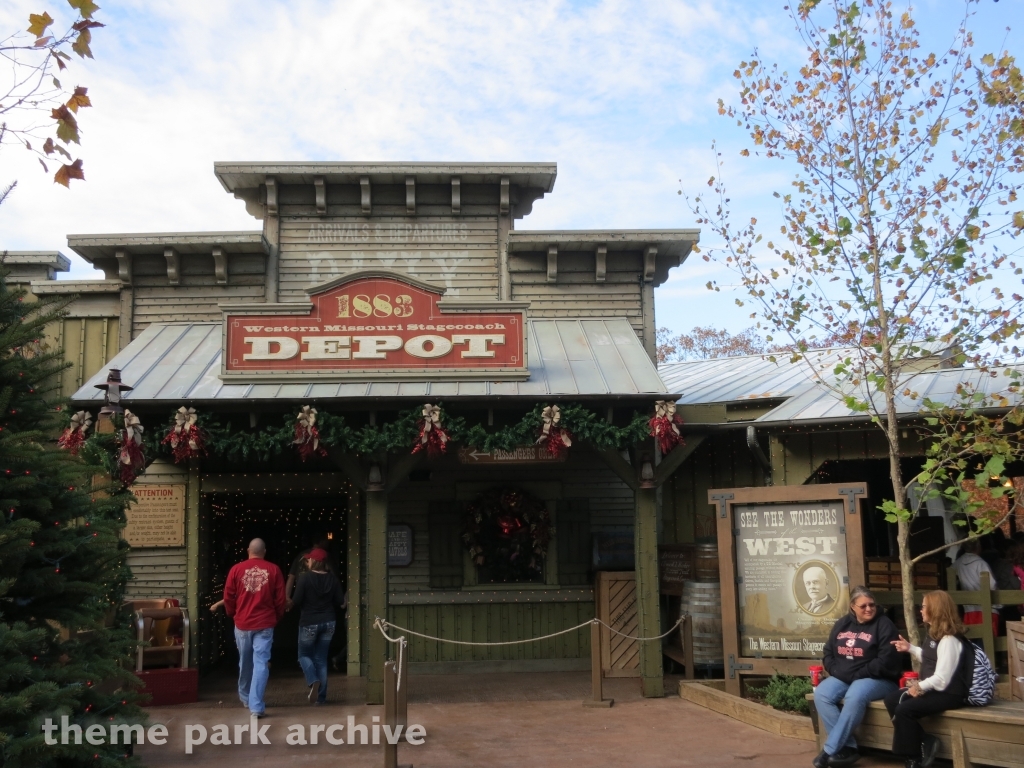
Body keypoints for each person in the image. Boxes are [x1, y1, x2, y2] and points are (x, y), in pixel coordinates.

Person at [812, 586, 902, 768]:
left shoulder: (884, 625)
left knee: (855, 694)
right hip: (845, 676)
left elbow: (885, 661)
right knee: (821, 693)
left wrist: (856, 674)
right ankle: (848, 747)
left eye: (872, 605)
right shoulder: (842, 624)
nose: (869, 609)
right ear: (853, 606)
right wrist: (835, 671)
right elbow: (828, 652)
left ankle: (829, 750)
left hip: (880, 680)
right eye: (863, 606)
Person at [886, 591, 969, 768]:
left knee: (903, 710)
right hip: (936, 689)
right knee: (891, 700)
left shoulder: (949, 639)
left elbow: (942, 679)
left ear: (935, 609)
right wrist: (910, 648)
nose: (921, 610)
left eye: (924, 606)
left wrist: (919, 686)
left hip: (949, 693)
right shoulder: (934, 633)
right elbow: (931, 659)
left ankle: (913, 758)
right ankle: (924, 739)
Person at [223, 538, 286, 718]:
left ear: (248, 551)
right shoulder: (274, 570)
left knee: (245, 661)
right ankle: (256, 706)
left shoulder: (236, 570)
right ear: (264, 551)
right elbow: (280, 599)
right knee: (261, 663)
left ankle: (245, 697)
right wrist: (277, 616)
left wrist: (233, 614)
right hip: (265, 624)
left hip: (242, 623)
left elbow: (228, 596)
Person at [290, 547, 347, 705]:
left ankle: (313, 679)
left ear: (314, 561)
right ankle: (321, 698)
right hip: (329, 621)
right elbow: (340, 601)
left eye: (309, 559)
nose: (307, 561)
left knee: (303, 655)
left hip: (309, 621)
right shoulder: (333, 579)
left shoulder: (305, 578)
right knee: (321, 659)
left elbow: (297, 600)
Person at [953, 539, 1001, 635]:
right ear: (978, 547)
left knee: (972, 642)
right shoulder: (981, 563)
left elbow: (950, 576)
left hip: (969, 609)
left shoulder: (958, 563)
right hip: (987, 610)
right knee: (988, 642)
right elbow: (992, 585)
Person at [286, 536, 332, 610]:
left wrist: (287, 598)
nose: (308, 561)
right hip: (323, 606)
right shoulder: (326, 557)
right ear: (322, 541)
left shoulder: (300, 555)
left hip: (305, 601)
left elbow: (291, 577)